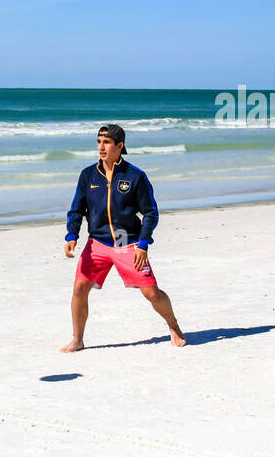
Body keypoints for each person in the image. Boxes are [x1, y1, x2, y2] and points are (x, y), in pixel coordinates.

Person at [61, 123, 186, 351]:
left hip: (126, 241)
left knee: (152, 293)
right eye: (99, 142)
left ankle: (173, 325)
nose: (101, 147)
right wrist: (72, 234)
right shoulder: (88, 175)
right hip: (97, 242)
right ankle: (78, 339)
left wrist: (144, 244)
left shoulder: (135, 176)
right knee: (79, 288)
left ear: (120, 146)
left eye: (106, 142)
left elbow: (150, 212)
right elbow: (76, 209)